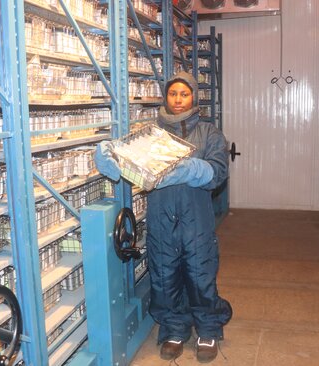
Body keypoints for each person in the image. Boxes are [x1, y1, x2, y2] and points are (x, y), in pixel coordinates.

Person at [94, 71, 232, 363]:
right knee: (165, 275)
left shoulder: (210, 134)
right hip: (161, 219)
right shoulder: (151, 133)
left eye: (184, 94)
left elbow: (218, 172)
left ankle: (208, 329)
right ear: (166, 97)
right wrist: (109, 152)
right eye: (173, 94)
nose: (178, 100)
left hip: (196, 220)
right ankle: (174, 329)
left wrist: (192, 169)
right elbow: (127, 154)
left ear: (194, 96)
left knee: (200, 274)